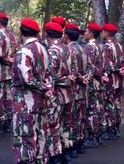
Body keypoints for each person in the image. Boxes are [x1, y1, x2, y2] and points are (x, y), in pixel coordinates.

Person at [12, 19, 52, 164]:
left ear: (21, 31)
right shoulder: (43, 49)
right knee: (39, 132)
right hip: (41, 100)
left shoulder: (24, 51)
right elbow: (49, 74)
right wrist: (47, 88)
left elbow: (26, 80)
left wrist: (43, 87)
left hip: (25, 101)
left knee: (24, 136)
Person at [44, 21, 74, 164]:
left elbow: (50, 75)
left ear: (46, 34)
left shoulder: (52, 51)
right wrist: (68, 78)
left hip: (56, 95)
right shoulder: (68, 48)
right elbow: (74, 71)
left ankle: (55, 155)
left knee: (53, 125)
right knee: (65, 123)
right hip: (68, 93)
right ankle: (65, 153)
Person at [65, 23, 89, 157]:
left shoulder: (68, 50)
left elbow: (73, 72)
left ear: (66, 36)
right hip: (83, 88)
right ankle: (80, 143)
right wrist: (86, 78)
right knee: (81, 116)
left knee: (70, 118)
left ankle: (71, 147)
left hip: (72, 88)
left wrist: (79, 78)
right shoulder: (84, 49)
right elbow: (90, 66)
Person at [102, 23, 124, 140]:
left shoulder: (107, 46)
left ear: (107, 33)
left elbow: (108, 64)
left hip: (111, 79)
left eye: (103, 31)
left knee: (109, 103)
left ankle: (111, 128)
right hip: (119, 79)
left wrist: (116, 70)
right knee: (117, 103)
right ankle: (117, 127)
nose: (102, 33)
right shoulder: (119, 46)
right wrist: (122, 70)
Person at [83, 23, 107, 148]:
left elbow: (91, 67)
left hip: (92, 82)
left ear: (91, 34)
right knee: (99, 108)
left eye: (86, 31)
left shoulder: (89, 47)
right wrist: (104, 76)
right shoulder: (102, 46)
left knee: (91, 109)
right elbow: (105, 65)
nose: (84, 33)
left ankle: (92, 137)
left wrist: (94, 77)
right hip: (100, 82)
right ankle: (100, 134)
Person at [0, 13, 16, 134]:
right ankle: (9, 121)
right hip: (9, 71)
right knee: (9, 97)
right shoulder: (12, 36)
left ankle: (1, 121)